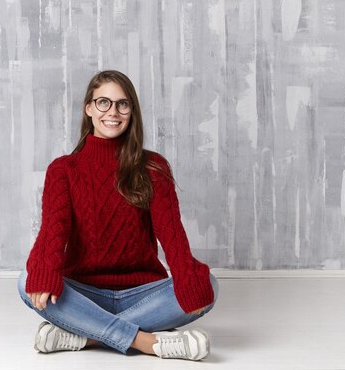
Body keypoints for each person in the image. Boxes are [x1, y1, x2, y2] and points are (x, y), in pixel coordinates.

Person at [17, 70, 218, 361]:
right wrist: (42, 274)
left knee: (209, 283)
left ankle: (86, 336)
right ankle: (149, 342)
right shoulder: (63, 170)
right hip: (84, 293)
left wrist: (188, 278)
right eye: (103, 103)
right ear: (88, 108)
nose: (113, 112)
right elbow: (52, 233)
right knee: (27, 280)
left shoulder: (153, 166)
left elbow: (172, 235)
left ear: (131, 111)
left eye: (122, 104)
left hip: (143, 293)